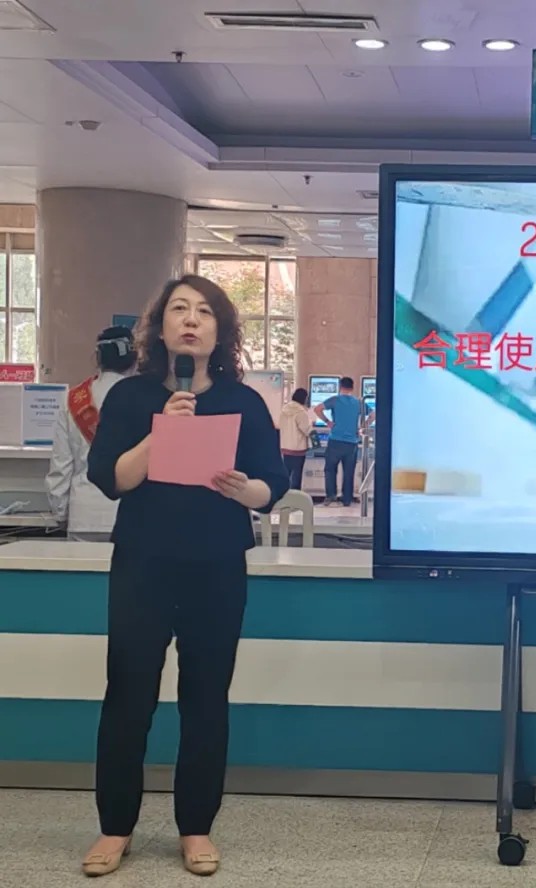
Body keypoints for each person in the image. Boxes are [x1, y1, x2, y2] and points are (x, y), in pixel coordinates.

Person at [82, 274, 289, 877]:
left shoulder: (244, 402)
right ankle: (115, 827)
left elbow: (272, 484)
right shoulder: (130, 397)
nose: (191, 320)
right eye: (179, 309)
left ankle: (196, 827)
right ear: (160, 327)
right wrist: (161, 434)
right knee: (128, 696)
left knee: (205, 699)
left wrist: (246, 490)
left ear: (220, 331)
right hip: (143, 564)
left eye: (204, 311)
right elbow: (111, 479)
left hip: (216, 566)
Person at [46, 326, 137, 541]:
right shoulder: (142, 398)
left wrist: (60, 512)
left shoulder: (73, 399)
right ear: (135, 359)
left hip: (84, 515)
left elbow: (61, 465)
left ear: (98, 358)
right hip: (131, 513)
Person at [314, 376, 361, 507]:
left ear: (340, 387)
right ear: (352, 388)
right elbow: (373, 414)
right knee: (349, 472)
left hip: (335, 440)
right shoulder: (358, 402)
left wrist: (327, 422)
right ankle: (347, 499)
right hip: (352, 443)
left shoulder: (335, 400)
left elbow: (317, 409)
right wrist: (362, 426)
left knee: (330, 469)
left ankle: (331, 497)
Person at [279, 387, 313, 490]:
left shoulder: (284, 410)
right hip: (298, 449)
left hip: (286, 447)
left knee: (286, 474)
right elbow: (307, 429)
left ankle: (283, 493)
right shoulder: (300, 412)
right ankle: (296, 495)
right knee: (297, 476)